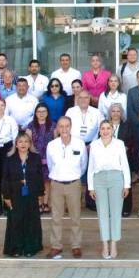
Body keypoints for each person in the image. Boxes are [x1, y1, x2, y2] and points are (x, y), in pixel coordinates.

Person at [87, 120, 131, 259]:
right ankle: (105, 244)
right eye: (103, 128)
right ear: (99, 130)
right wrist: (90, 187)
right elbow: (91, 167)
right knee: (103, 213)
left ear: (112, 130)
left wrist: (127, 185)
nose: (105, 131)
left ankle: (113, 243)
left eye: (108, 128)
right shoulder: (94, 145)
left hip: (116, 178)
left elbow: (124, 165)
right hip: (99, 179)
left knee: (116, 212)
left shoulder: (119, 144)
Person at [46, 116, 88, 259]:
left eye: (67, 126)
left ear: (71, 127)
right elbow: (51, 165)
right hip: (56, 184)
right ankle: (56, 246)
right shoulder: (51, 145)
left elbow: (83, 165)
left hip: (73, 184)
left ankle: (76, 246)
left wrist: (73, 176)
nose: (64, 129)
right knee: (56, 217)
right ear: (57, 128)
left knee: (75, 217)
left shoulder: (80, 143)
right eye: (61, 126)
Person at [1, 131, 45, 257]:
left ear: (30, 144)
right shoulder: (9, 159)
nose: (23, 144)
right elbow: (5, 179)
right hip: (15, 195)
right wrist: (7, 196)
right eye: (20, 141)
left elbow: (39, 177)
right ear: (16, 144)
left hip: (32, 194)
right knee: (16, 221)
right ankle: (16, 248)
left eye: (26, 141)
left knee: (31, 221)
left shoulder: (35, 158)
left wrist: (41, 194)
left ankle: (31, 248)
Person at [66, 91, 102, 210]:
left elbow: (100, 129)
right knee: (75, 171)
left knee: (91, 172)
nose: (83, 100)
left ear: (89, 99)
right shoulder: (71, 111)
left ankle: (90, 201)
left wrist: (93, 143)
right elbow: (67, 128)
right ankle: (74, 201)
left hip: (92, 145)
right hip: (75, 145)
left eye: (86, 98)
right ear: (77, 99)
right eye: (80, 98)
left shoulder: (96, 112)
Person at [107, 104, 138, 217]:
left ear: (121, 113)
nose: (115, 113)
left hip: (124, 158)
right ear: (110, 113)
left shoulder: (127, 126)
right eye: (113, 111)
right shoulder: (105, 125)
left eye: (118, 111)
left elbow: (132, 140)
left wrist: (127, 147)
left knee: (125, 182)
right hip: (108, 160)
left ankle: (126, 207)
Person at [27, 103, 54, 213]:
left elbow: (55, 141)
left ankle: (46, 202)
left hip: (49, 158)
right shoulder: (31, 125)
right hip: (35, 157)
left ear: (47, 113)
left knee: (47, 181)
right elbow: (28, 142)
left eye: (43, 111)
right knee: (37, 181)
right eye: (39, 111)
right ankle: (38, 203)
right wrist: (35, 156)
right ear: (36, 113)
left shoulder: (53, 125)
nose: (41, 113)